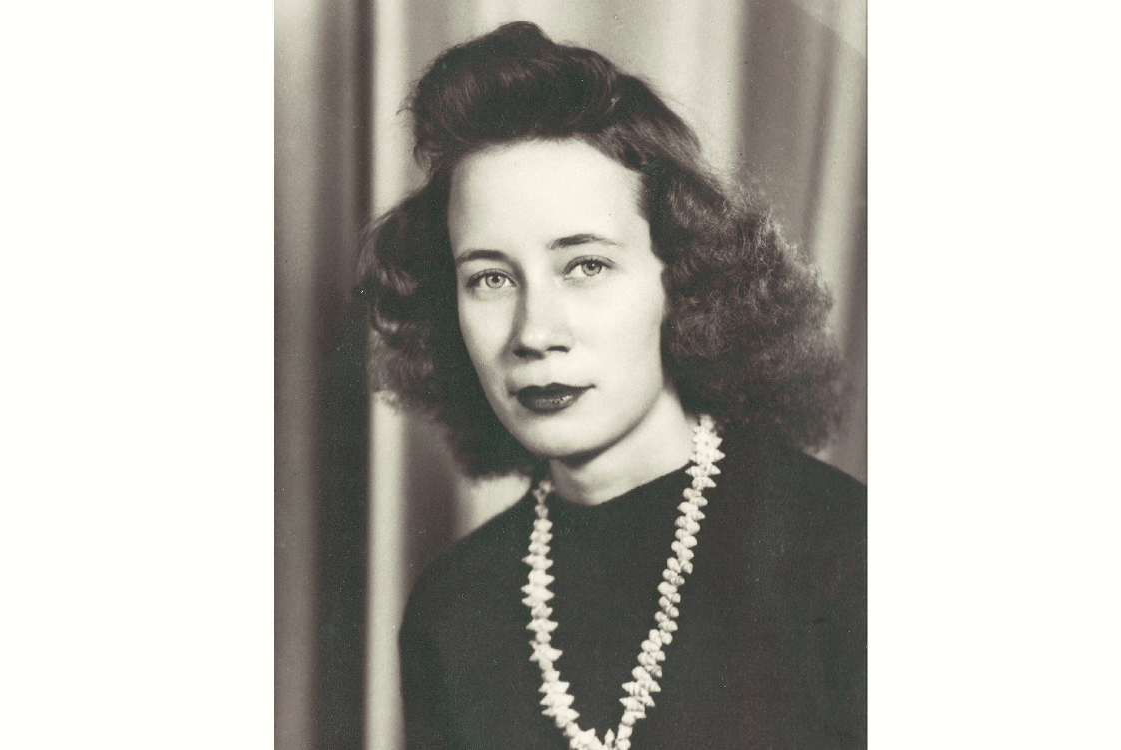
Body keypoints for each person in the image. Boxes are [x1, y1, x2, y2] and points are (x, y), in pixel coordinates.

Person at [356, 21, 865, 750]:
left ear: (684, 277)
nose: (535, 331)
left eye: (585, 266)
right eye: (490, 278)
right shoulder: (453, 610)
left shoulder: (844, 550)